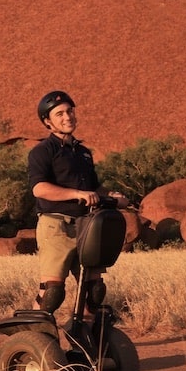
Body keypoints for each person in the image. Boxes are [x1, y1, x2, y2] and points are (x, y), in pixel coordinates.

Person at [28, 91, 128, 315]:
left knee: (94, 289)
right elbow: (39, 188)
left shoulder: (83, 153)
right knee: (52, 292)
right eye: (60, 113)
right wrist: (76, 194)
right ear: (47, 121)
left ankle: (82, 338)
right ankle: (32, 337)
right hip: (56, 226)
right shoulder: (42, 151)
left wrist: (113, 196)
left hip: (86, 226)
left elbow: (93, 188)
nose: (67, 117)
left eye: (70, 111)